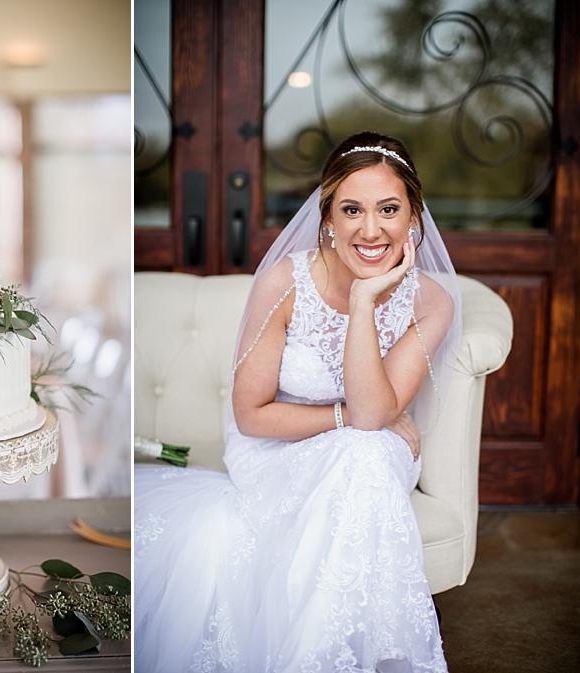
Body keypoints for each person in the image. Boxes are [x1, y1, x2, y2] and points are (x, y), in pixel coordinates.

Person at [134, 131, 460, 673]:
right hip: (274, 449)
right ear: (327, 217)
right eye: (351, 209)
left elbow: (375, 415)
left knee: (368, 453)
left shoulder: (431, 302)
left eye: (389, 209)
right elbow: (253, 415)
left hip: (374, 454)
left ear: (413, 220)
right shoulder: (287, 281)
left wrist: (365, 303)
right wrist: (349, 409)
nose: (371, 229)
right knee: (366, 448)